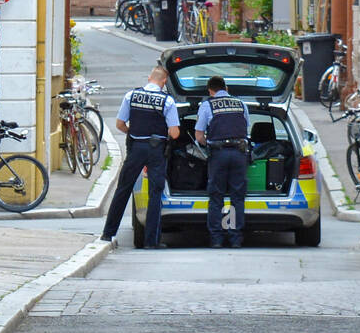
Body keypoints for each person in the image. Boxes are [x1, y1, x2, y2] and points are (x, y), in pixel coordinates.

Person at [102, 66, 181, 248]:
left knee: (123, 189)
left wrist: (134, 133)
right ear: (163, 83)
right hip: (157, 150)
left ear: (148, 78)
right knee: (155, 194)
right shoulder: (167, 101)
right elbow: (175, 133)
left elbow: (120, 124)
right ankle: (151, 242)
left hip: (136, 148)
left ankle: (108, 233)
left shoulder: (131, 96)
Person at [194, 75, 251, 248]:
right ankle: (235, 239)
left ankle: (216, 239)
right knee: (237, 197)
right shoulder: (241, 104)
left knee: (216, 197)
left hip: (218, 154)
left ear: (210, 91)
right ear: (226, 89)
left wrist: (206, 145)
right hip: (239, 154)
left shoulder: (207, 105)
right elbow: (246, 128)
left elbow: (199, 135)